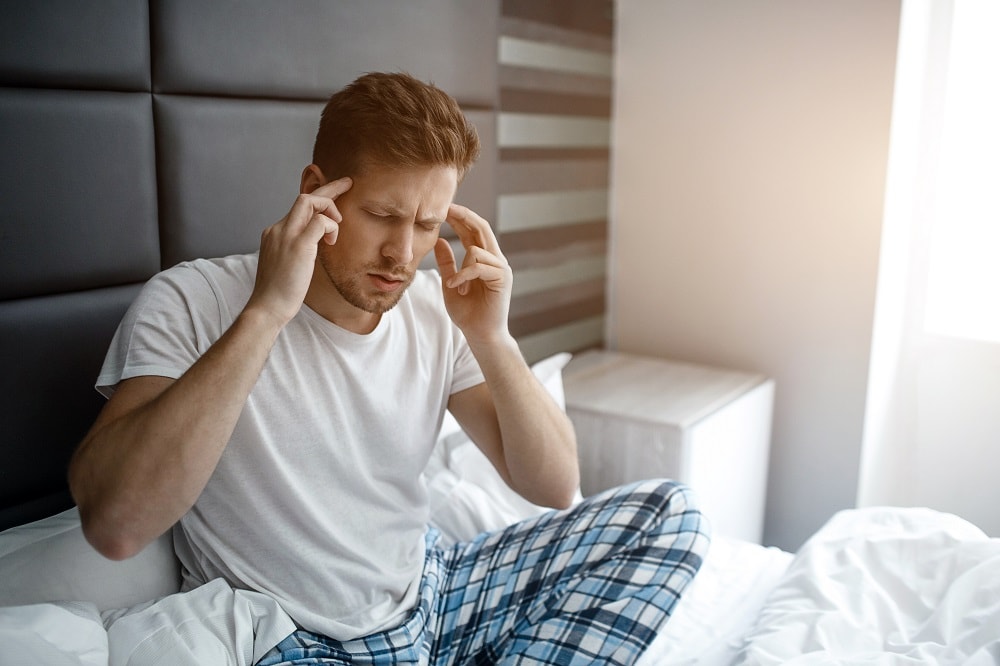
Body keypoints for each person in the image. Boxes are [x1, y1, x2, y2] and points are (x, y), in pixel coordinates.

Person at [68, 72, 708, 665]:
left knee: (669, 513)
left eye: (428, 225)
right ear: (315, 188)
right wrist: (266, 314)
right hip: (299, 635)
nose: (403, 254)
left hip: (434, 592)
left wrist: (492, 335)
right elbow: (117, 526)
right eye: (382, 215)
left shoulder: (437, 310)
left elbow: (554, 487)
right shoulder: (195, 301)